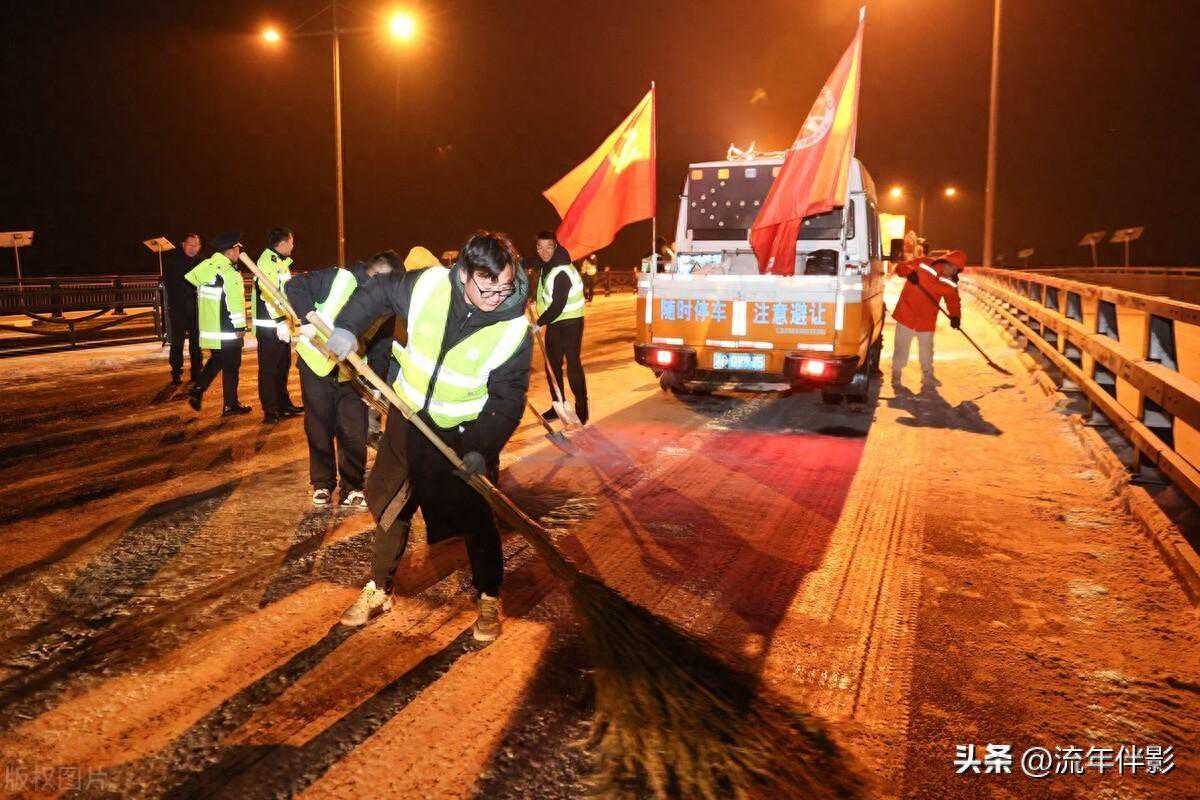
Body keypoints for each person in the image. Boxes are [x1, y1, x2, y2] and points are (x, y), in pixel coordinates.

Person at [327, 232, 532, 642]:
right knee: (391, 503)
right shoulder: (429, 286)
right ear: (464, 275)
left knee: (475, 516)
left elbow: (508, 399)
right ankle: (379, 589)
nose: (495, 296)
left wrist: (481, 447)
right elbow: (379, 291)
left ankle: (490, 597)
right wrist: (348, 328)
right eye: (486, 287)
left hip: (461, 432)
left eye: (504, 287)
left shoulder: (513, 330)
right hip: (407, 414)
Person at [286, 253, 396, 508]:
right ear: (376, 274)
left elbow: (382, 345)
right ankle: (322, 483)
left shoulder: (385, 304)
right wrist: (308, 318)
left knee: (353, 428)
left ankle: (352, 486)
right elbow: (294, 286)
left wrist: (376, 384)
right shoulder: (338, 277)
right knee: (319, 425)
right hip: (316, 363)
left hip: (352, 372)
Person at [186, 232, 251, 415]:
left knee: (217, 361)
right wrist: (240, 327)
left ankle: (197, 390)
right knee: (231, 367)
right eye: (238, 249)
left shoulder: (207, 267)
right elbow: (235, 302)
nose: (239, 252)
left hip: (212, 328)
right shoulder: (229, 272)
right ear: (230, 251)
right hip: (229, 329)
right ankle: (231, 405)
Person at [533, 231, 588, 425]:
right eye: (540, 247)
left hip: (571, 323)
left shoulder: (562, 269)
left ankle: (582, 408)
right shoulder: (546, 266)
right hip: (555, 323)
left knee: (573, 364)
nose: (544, 251)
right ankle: (558, 403)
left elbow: (558, 305)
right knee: (552, 366)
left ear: (555, 246)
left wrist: (538, 323)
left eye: (549, 247)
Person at [891, 249, 966, 393]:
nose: (953, 272)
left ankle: (928, 376)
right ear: (947, 262)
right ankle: (896, 375)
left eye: (956, 270)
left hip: (927, 320)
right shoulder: (923, 264)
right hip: (906, 314)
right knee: (901, 348)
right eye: (953, 268)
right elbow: (899, 268)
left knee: (926, 352)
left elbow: (953, 301)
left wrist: (956, 317)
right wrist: (908, 272)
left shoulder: (950, 283)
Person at [252, 227, 304, 424]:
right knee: (269, 369)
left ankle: (283, 404)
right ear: (282, 243)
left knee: (282, 366)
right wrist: (279, 321)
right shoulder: (267, 261)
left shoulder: (280, 262)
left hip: (281, 324)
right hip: (270, 326)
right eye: (291, 241)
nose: (293, 245)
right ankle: (271, 410)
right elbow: (269, 293)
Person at [163, 233, 203, 385]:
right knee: (177, 343)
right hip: (178, 309)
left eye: (196, 245)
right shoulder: (173, 261)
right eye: (190, 244)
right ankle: (176, 372)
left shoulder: (201, 262)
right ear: (183, 244)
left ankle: (196, 372)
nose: (193, 248)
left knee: (197, 343)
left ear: (199, 247)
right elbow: (170, 284)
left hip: (197, 310)